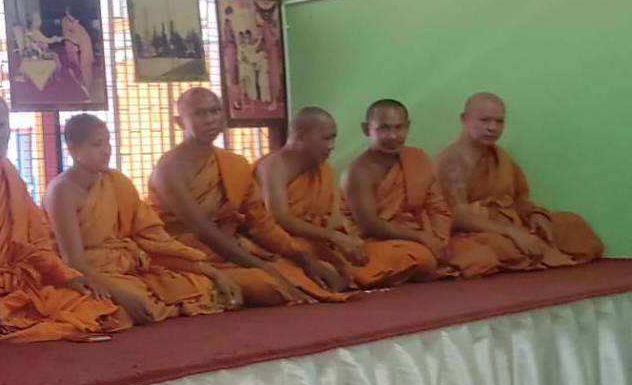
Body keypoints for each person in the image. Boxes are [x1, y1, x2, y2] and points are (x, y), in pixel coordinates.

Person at [0, 93, 125, 342]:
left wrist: (67, 276)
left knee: (94, 305)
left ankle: (12, 323)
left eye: (2, 125)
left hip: (17, 286)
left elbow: (34, 244)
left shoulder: (9, 175)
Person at [148, 88, 353, 307]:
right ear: (180, 122)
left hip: (231, 249)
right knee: (267, 286)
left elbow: (260, 221)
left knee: (322, 273)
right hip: (188, 257)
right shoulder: (168, 170)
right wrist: (267, 270)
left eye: (215, 111)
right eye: (199, 113)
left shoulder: (234, 163)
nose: (210, 119)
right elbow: (202, 230)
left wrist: (302, 257)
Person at [46, 114, 239, 325]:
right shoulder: (62, 191)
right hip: (90, 272)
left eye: (108, 142)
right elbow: (73, 261)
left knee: (198, 285)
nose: (106, 150)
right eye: (97, 144)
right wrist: (119, 292)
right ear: (73, 150)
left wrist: (208, 270)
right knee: (107, 311)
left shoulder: (116, 181)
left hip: (128, 266)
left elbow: (152, 239)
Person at [256, 107, 430, 289]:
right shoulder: (273, 167)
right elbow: (280, 218)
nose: (331, 146)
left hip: (312, 242)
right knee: (276, 282)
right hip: (276, 247)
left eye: (333, 138)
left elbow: (319, 221)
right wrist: (334, 237)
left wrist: (334, 240)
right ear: (301, 136)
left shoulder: (322, 168)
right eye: (326, 139)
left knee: (416, 256)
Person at [342, 99, 513, 279]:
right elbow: (370, 225)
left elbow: (437, 205)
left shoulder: (417, 158)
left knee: (483, 256)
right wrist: (421, 238)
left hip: (419, 235)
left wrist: (439, 240)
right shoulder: (358, 172)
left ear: (408, 127)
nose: (393, 136)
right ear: (366, 129)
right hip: (379, 241)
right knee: (421, 258)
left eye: (399, 127)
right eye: (384, 128)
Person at [436, 92, 603, 268]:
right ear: (464, 119)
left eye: (499, 121)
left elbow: (518, 198)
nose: (492, 128)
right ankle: (527, 249)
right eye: (484, 120)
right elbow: (459, 217)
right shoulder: (451, 162)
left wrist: (534, 215)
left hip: (511, 221)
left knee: (572, 223)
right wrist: (512, 232)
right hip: (476, 230)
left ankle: (531, 246)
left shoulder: (499, 156)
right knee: (495, 247)